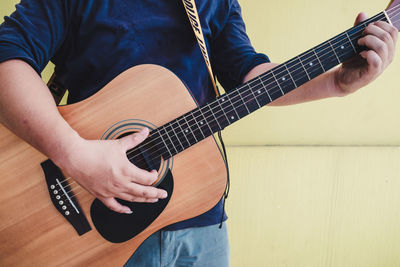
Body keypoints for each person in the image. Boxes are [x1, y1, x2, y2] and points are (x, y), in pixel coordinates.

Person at [0, 0, 397, 266]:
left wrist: (337, 84)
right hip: (87, 221)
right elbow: (7, 58)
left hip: (200, 218)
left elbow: (250, 76)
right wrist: (75, 155)